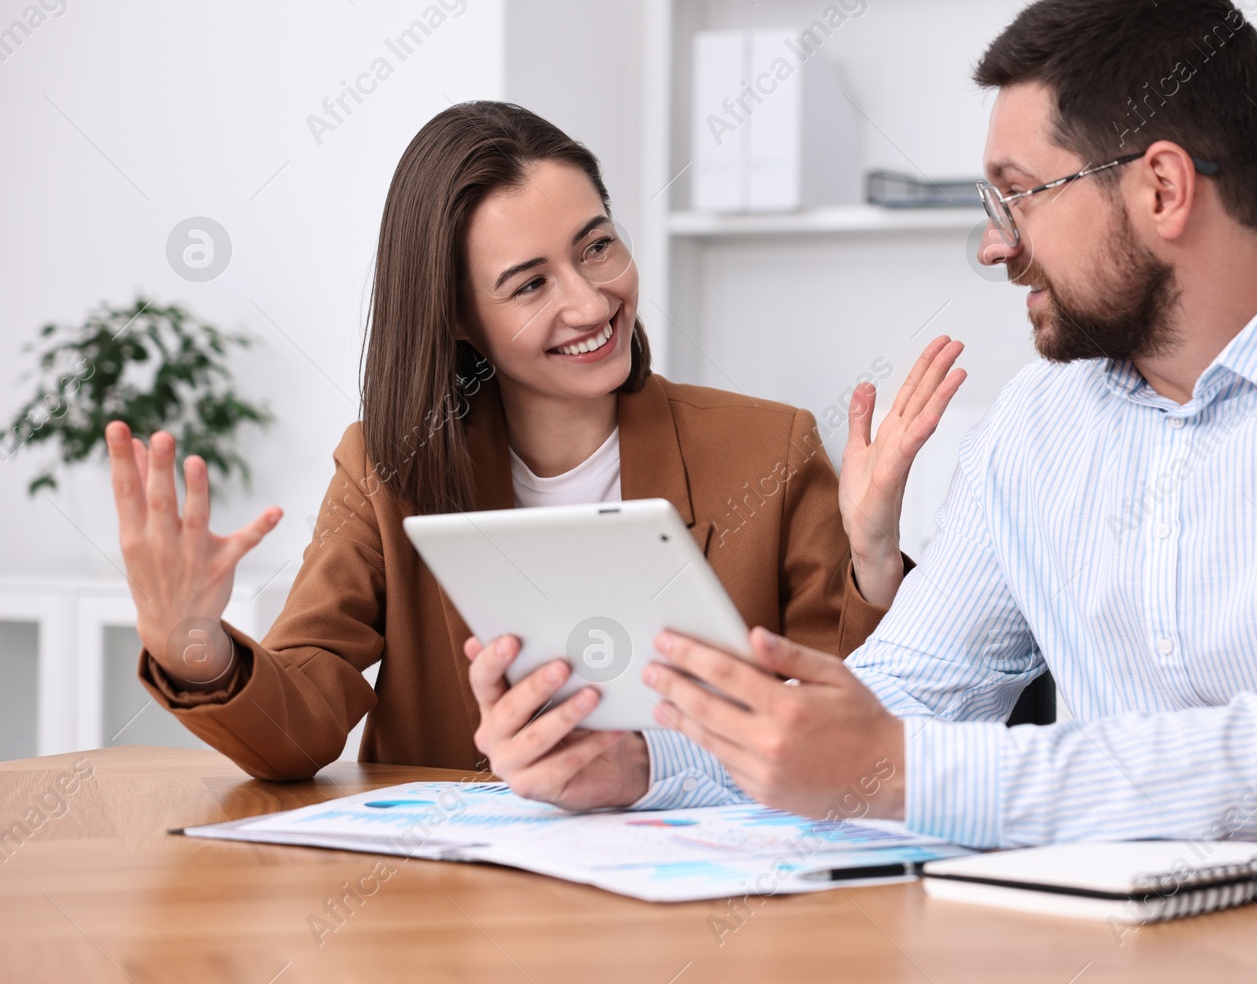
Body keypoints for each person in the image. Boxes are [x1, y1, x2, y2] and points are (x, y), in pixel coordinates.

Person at [471, 0, 1257, 865]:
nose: (992, 243)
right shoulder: (1042, 418)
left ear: (1160, 189)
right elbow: (905, 695)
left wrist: (895, 770)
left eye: (1016, 196)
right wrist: (639, 758)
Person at [105, 101, 964, 782]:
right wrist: (200, 648)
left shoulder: (767, 450)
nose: (591, 303)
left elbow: (853, 728)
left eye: (598, 247)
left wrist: (874, 558)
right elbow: (302, 724)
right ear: (459, 320)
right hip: (461, 912)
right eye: (529, 285)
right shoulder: (386, 467)